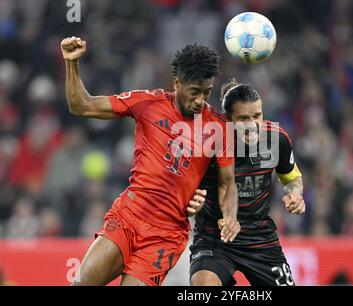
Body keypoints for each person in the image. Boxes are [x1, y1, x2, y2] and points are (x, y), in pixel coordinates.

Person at [60, 36, 240, 286]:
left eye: (207, 93)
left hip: (164, 236)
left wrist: (230, 216)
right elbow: (82, 106)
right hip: (128, 217)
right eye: (195, 92)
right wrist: (72, 64)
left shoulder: (218, 127)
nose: (200, 101)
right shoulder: (148, 103)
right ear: (177, 83)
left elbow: (227, 183)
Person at [189, 79, 305, 286]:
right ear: (227, 120)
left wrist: (295, 193)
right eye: (243, 118)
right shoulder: (206, 146)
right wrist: (191, 204)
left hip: (260, 239)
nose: (252, 125)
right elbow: (183, 191)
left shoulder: (276, 139)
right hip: (214, 238)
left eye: (257, 116)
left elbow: (292, 177)